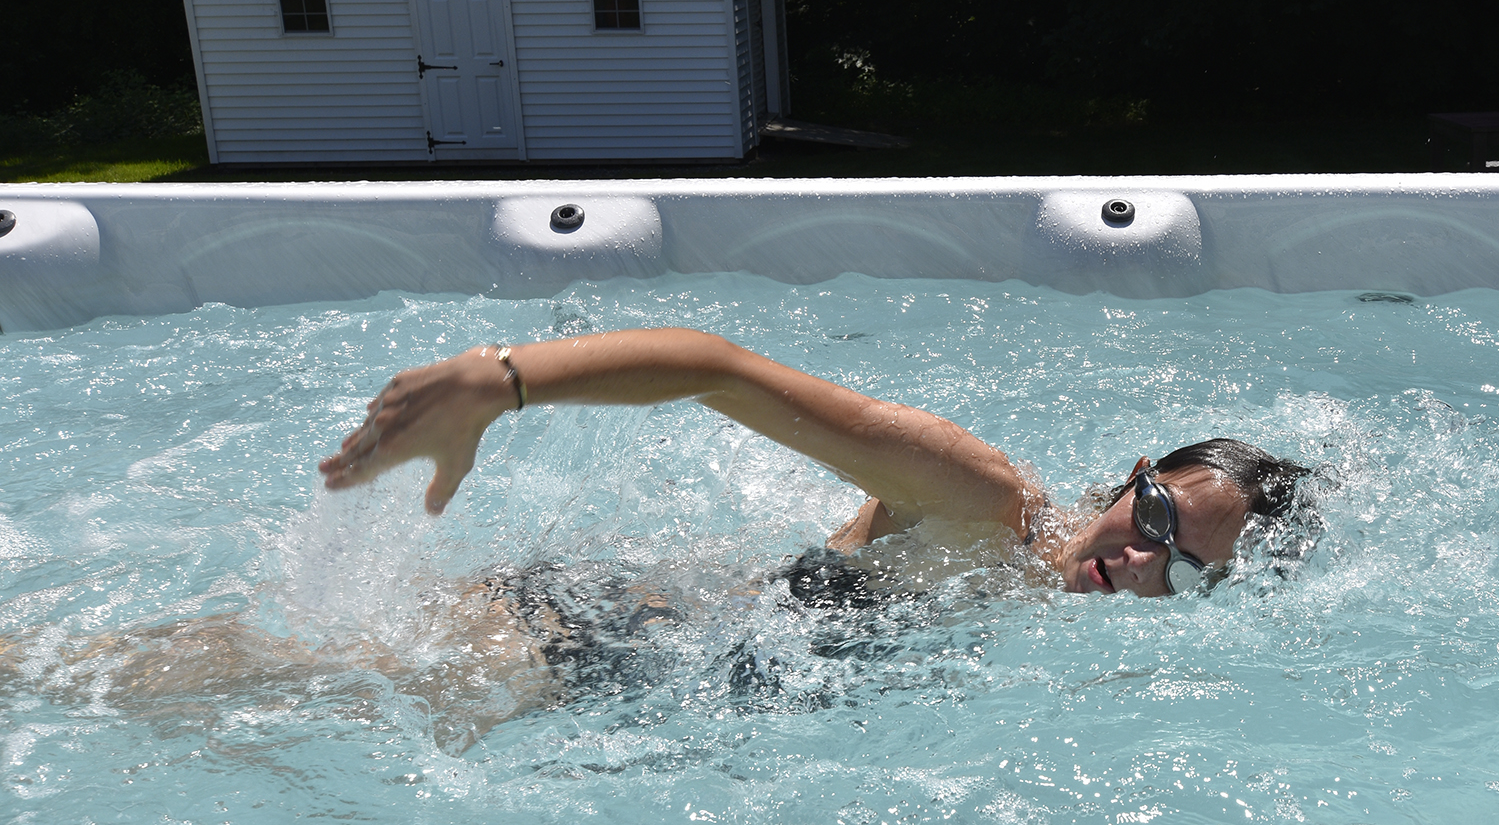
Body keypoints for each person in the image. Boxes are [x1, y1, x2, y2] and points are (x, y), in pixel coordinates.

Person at [319, 327, 1308, 599]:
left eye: (1182, 568)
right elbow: (718, 371)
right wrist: (502, 382)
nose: (1139, 560)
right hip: (594, 632)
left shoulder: (1041, 601)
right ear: (1133, 477)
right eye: (1153, 518)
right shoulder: (985, 500)